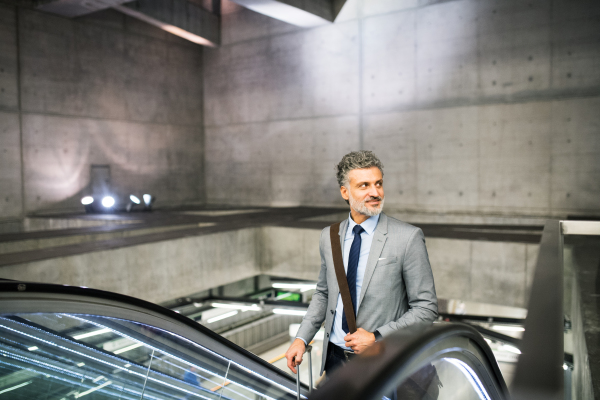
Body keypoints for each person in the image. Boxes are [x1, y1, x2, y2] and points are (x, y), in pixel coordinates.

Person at [285, 150, 438, 379]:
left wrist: (377, 337)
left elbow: (426, 308)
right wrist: (301, 338)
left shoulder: (407, 238)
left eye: (378, 184)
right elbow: (324, 293)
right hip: (336, 361)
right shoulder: (329, 236)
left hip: (383, 363)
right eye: (364, 185)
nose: (375, 192)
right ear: (345, 192)